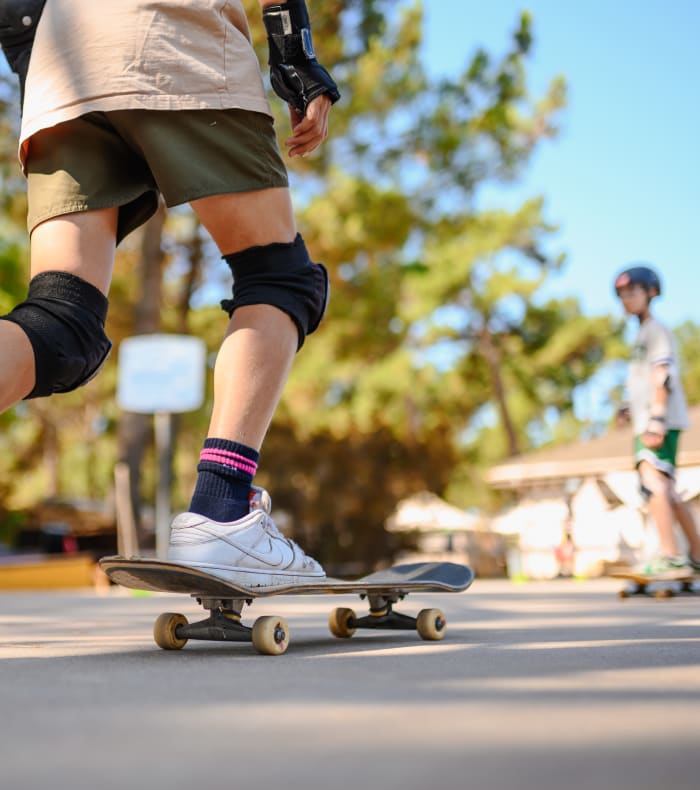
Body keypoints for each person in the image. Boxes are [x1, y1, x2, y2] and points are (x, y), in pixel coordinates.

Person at [0, 0, 341, 588]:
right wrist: (296, 57)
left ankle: (224, 511)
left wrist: (43, 69)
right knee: (279, 277)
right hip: (172, 37)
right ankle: (224, 509)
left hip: (61, 61)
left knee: (62, 320)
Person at [614, 265, 700, 577]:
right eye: (622, 295)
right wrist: (628, 408)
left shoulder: (656, 330)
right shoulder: (641, 334)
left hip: (656, 421)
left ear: (651, 293)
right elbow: (641, 381)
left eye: (632, 292)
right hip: (649, 419)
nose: (626, 299)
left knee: (653, 485)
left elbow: (662, 374)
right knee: (668, 488)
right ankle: (695, 556)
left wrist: (657, 418)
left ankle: (671, 555)